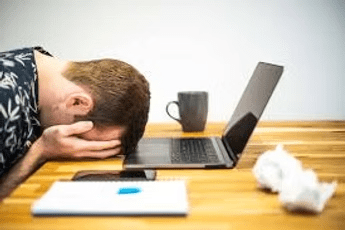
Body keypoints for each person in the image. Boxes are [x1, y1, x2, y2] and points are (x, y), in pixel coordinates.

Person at [0, 47, 150, 200]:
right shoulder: (6, 107)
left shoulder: (36, 64)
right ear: (77, 102)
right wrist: (40, 151)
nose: (76, 149)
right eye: (79, 138)